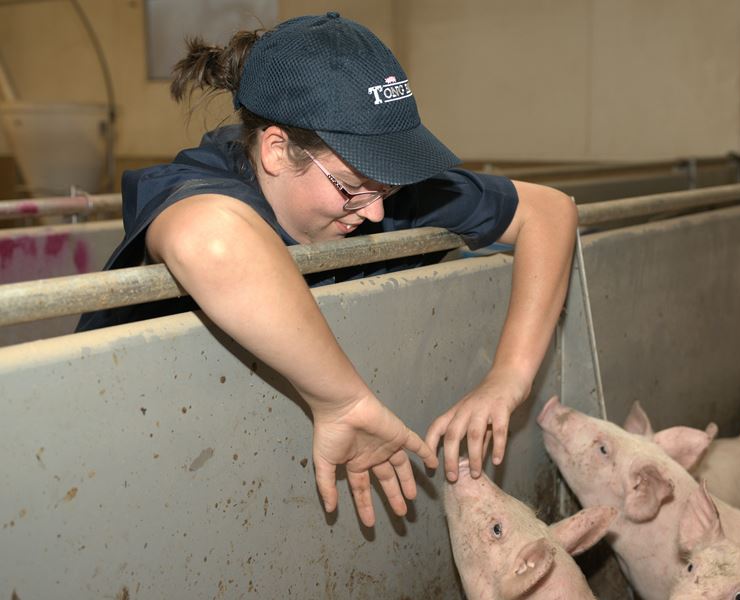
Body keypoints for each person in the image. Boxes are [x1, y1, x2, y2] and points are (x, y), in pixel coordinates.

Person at [76, 12, 577, 527]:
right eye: (349, 187)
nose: (377, 211)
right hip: (114, 469)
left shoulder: (378, 186)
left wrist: (509, 377)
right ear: (276, 150)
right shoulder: (199, 184)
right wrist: (343, 400)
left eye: (389, 185)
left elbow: (550, 211)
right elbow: (212, 241)